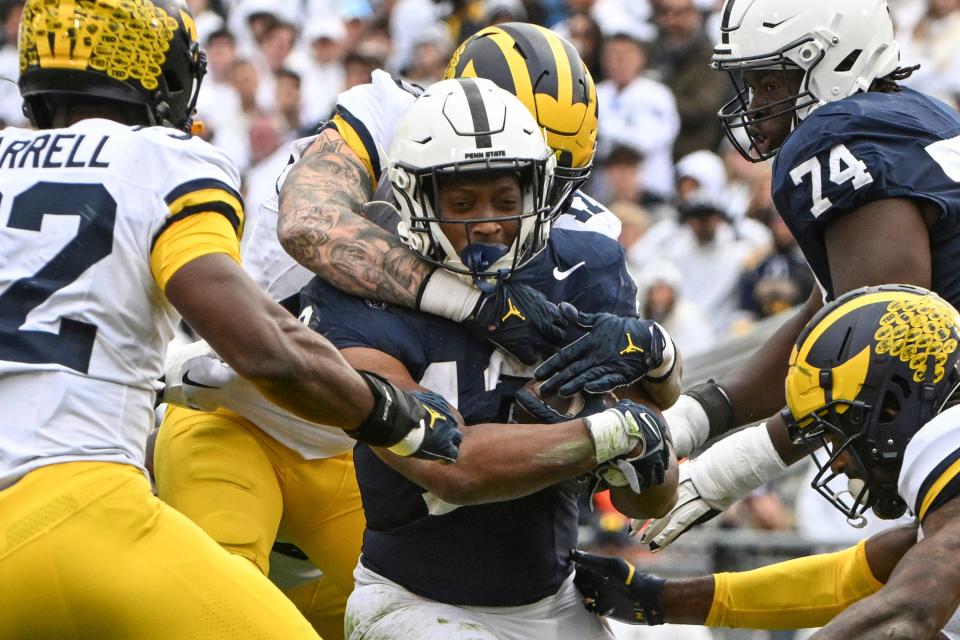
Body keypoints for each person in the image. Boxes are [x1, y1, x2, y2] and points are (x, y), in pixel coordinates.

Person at [159, 22, 672, 639]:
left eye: (540, 181)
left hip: (358, 460)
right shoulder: (389, 121)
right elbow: (311, 224)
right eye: (467, 198)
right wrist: (481, 305)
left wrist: (659, 362)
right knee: (220, 615)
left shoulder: (580, 241)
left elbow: (647, 437)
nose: (510, 220)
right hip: (248, 410)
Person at [0, 1, 460, 638]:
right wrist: (392, 414)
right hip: (83, 506)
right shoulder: (162, 161)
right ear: (160, 74)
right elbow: (264, 347)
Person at [324, 77, 678, 640]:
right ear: (417, 200)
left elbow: (648, 496)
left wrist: (653, 406)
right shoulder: (361, 294)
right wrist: (612, 433)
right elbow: (451, 466)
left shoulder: (585, 270)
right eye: (462, 202)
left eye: (506, 201)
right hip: (411, 601)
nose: (487, 222)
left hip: (554, 598)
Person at [604, 0, 960, 550]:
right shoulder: (919, 114)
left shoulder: (836, 138)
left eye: (772, 85)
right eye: (752, 85)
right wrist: (700, 417)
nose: (757, 107)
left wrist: (731, 468)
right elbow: (831, 311)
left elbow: (882, 356)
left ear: (836, 62)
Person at [572, 285, 960, 638]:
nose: (839, 463)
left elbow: (907, 613)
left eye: (836, 435)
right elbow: (849, 580)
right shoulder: (935, 522)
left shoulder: (945, 441)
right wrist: (659, 600)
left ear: (893, 408)